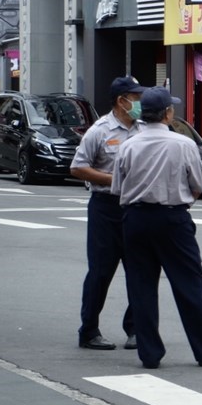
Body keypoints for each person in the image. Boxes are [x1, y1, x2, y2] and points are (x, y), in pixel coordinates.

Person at [111, 86, 202, 369]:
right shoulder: (183, 144)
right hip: (172, 218)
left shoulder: (128, 145)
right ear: (167, 113)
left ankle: (149, 353)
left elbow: (117, 188)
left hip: (135, 218)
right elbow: (199, 185)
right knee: (190, 284)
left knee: (141, 286)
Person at [70, 76, 147, 350]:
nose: (140, 103)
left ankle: (136, 329)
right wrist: (112, 179)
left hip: (136, 207)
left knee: (140, 271)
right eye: (136, 98)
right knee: (101, 272)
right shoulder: (100, 131)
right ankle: (89, 330)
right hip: (106, 208)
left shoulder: (144, 128)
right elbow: (78, 167)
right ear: (121, 101)